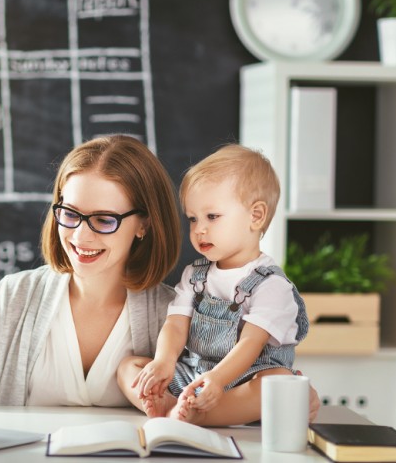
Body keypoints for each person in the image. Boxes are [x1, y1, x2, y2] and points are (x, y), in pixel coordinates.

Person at [0, 135, 182, 422]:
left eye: (104, 220)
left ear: (144, 224)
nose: (80, 236)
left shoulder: (175, 316)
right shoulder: (17, 295)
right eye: (69, 214)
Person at [117, 143, 311, 426]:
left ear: (255, 216)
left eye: (212, 217)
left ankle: (198, 415)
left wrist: (217, 381)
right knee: (128, 367)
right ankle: (172, 404)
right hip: (195, 374)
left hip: (242, 380)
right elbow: (175, 324)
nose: (199, 230)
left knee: (279, 382)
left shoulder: (272, 286)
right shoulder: (195, 275)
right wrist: (164, 362)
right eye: (193, 219)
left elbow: (250, 344)